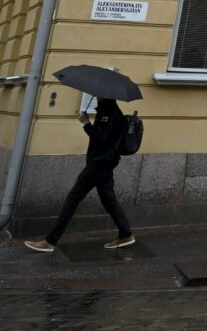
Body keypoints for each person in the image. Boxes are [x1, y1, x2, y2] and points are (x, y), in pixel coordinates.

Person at [25, 98, 135, 252]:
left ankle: (50, 241)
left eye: (98, 94)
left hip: (99, 164)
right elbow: (102, 137)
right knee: (108, 200)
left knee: (73, 198)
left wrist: (86, 123)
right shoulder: (107, 111)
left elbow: (101, 140)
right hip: (104, 163)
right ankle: (126, 233)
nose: (96, 96)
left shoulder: (110, 113)